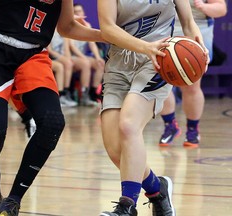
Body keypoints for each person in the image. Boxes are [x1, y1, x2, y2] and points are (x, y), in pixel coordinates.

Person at [0, 1, 103, 216]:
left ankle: (14, 201)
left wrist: (108, 34)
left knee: (53, 123)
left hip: (32, 54)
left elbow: (67, 27)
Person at [97, 0, 209, 216]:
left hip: (159, 60)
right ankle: (158, 190)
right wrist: (144, 47)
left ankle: (127, 206)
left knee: (129, 125)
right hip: (119, 65)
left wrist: (197, 43)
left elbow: (187, 21)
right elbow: (108, 28)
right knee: (115, 151)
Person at [158, 0, 227, 148]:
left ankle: (192, 129)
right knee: (161, 81)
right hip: (163, 26)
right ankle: (170, 125)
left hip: (196, 26)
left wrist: (204, 7)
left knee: (191, 84)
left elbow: (221, 9)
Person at [72, 3, 105, 102]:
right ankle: (84, 96)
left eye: (80, 11)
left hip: (83, 56)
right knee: (86, 63)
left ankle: (93, 93)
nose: (78, 13)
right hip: (72, 56)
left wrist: (98, 57)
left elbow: (92, 44)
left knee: (100, 64)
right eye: (75, 12)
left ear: (84, 12)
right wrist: (82, 57)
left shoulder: (87, 25)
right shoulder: (69, 25)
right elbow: (72, 47)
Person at [48, 32, 78, 107]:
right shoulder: (49, 29)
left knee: (69, 64)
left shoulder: (62, 30)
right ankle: (60, 96)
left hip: (59, 57)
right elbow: (49, 50)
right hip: (49, 57)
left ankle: (65, 93)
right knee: (60, 67)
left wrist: (68, 59)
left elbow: (66, 50)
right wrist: (62, 58)